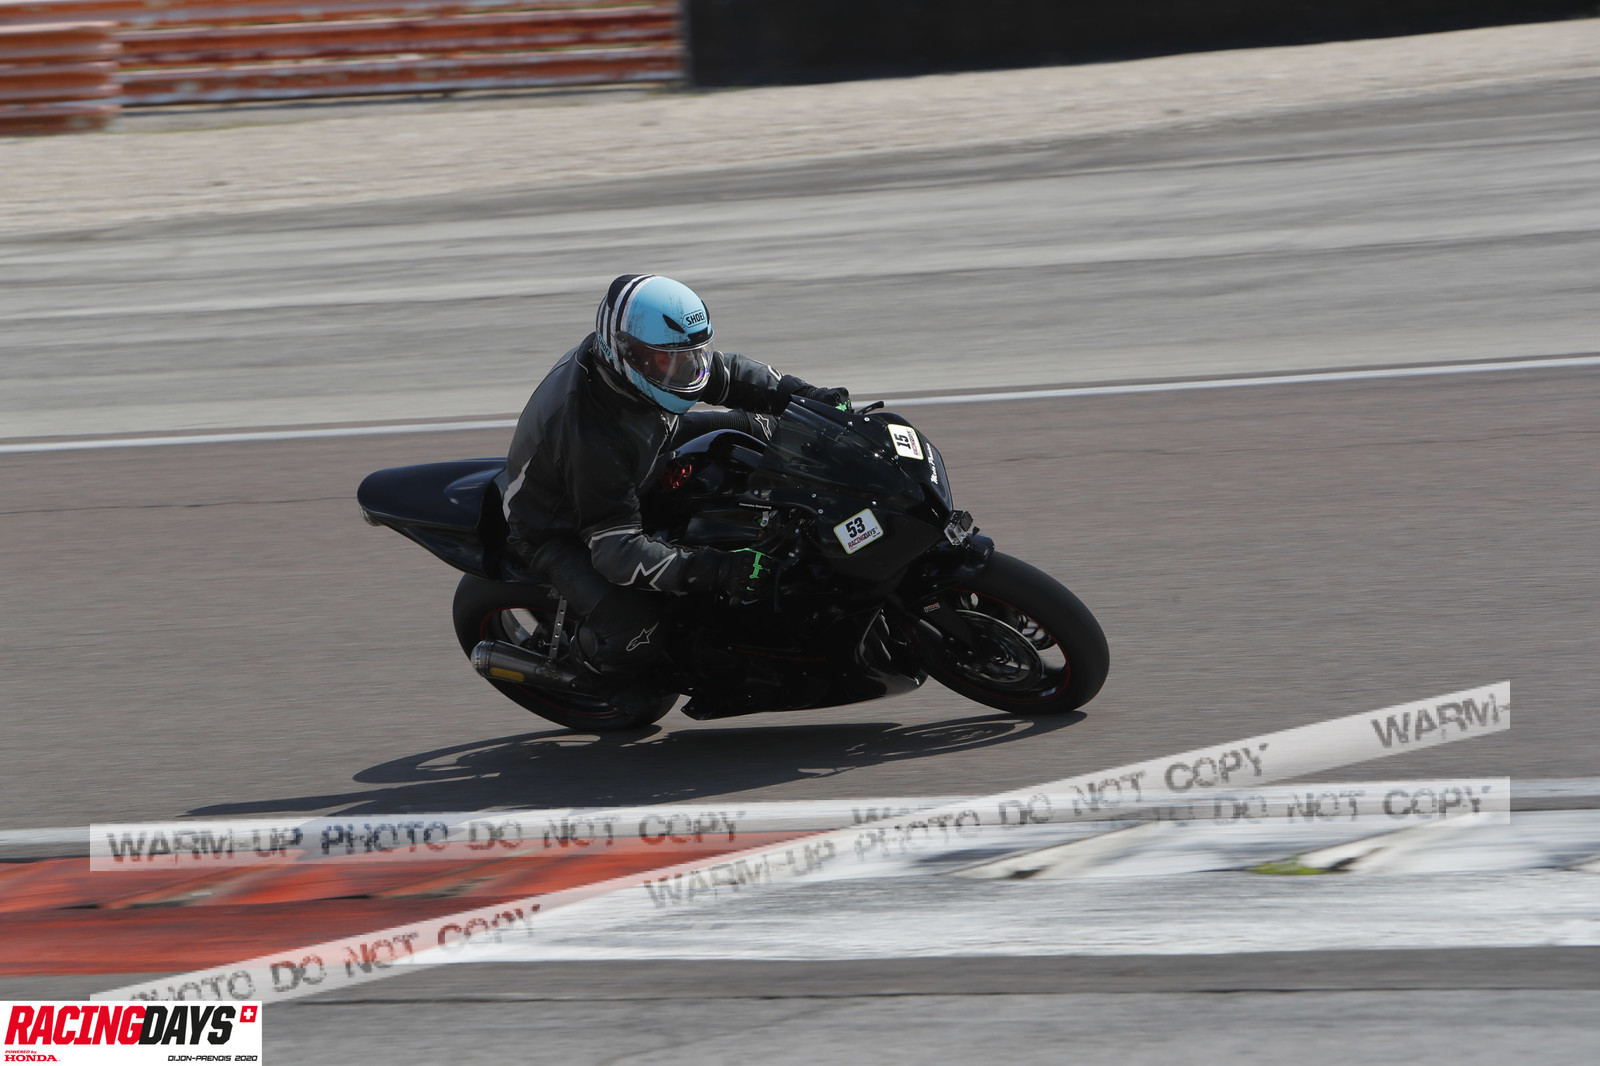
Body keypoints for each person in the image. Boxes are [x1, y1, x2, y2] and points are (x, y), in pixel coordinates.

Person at [497, 273, 849, 694]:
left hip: (644, 449)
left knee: (757, 430)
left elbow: (728, 373)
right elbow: (616, 552)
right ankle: (594, 683)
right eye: (667, 359)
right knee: (641, 635)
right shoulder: (589, 434)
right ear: (625, 353)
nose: (685, 369)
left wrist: (809, 397)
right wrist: (721, 568)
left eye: (692, 354)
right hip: (562, 530)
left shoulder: (644, 370)